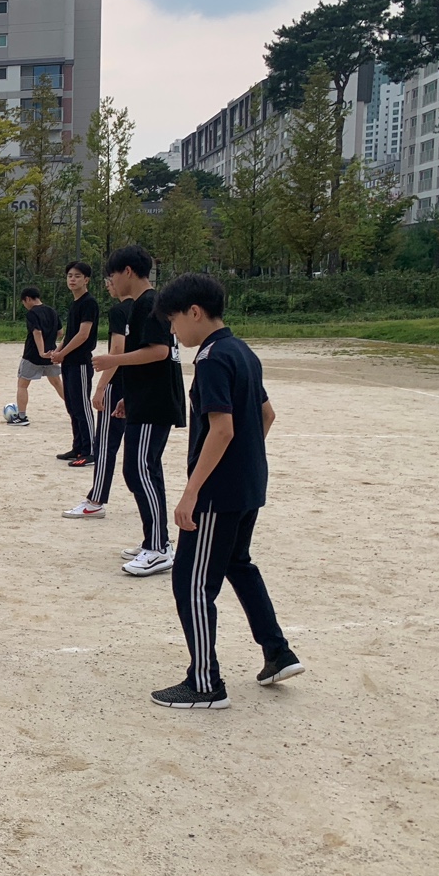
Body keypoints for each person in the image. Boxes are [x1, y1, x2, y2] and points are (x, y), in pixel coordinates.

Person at [149, 272, 303, 708]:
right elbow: (267, 415)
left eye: (175, 322)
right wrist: (243, 465)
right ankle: (277, 651)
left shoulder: (212, 359)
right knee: (238, 563)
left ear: (195, 312)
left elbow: (222, 429)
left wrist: (191, 492)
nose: (174, 332)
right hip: (249, 484)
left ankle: (204, 683)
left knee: (192, 584)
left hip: (217, 494)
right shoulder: (244, 352)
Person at [92, 245, 185, 577]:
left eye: (113, 274)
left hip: (155, 402)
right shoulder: (140, 307)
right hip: (143, 399)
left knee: (139, 469)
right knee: (142, 469)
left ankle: (159, 547)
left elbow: (159, 352)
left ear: (128, 271)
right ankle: (156, 540)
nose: (112, 281)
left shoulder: (150, 304)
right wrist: (127, 397)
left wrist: (112, 361)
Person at [63, 278, 133, 518]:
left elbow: (117, 351)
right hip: (140, 385)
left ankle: (95, 500)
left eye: (111, 280)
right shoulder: (153, 306)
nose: (108, 286)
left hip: (119, 384)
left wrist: (102, 387)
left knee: (105, 445)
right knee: (144, 458)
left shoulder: (120, 310)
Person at [48, 261, 99, 464]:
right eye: (70, 275)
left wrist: (63, 354)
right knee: (72, 405)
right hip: (69, 362)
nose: (72, 279)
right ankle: (78, 447)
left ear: (86, 280)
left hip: (80, 363)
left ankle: (90, 450)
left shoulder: (89, 303)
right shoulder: (75, 303)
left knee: (82, 406)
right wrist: (57, 351)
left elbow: (83, 335)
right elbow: (70, 334)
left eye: (77, 276)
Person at [7, 287, 64, 427]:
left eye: (24, 302)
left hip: (33, 355)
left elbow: (37, 332)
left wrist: (41, 351)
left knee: (22, 385)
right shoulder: (52, 311)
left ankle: (21, 417)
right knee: (57, 384)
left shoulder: (32, 313)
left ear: (27, 299)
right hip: (51, 354)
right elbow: (60, 332)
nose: (25, 306)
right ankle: (74, 410)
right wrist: (50, 345)